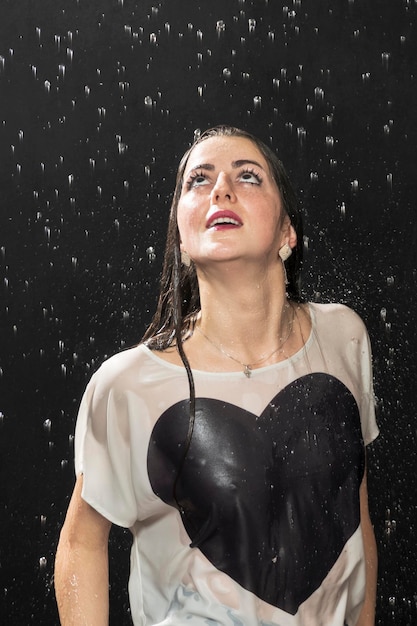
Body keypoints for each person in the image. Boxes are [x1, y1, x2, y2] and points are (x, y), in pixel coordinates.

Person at [54, 125, 378, 626]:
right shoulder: (128, 385)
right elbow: (81, 543)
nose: (220, 190)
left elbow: (351, 506)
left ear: (288, 231)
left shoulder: (345, 337)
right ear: (181, 238)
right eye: (198, 182)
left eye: (247, 177)